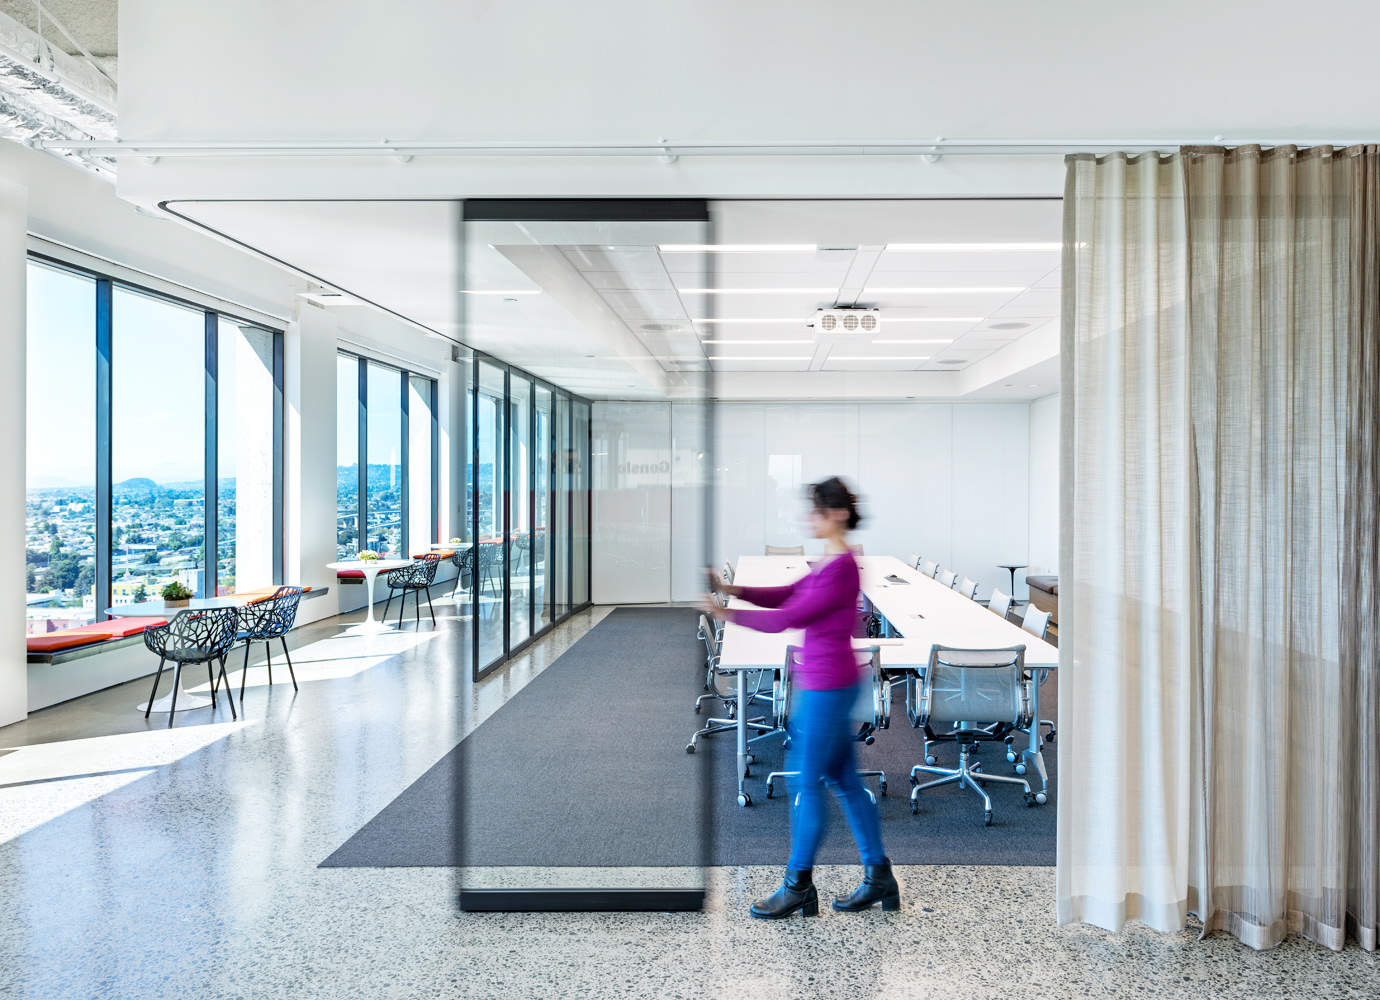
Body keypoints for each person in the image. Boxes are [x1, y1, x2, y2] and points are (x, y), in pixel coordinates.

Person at [704, 476, 899, 918]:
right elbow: (789, 594)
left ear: (838, 515)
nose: (808, 518)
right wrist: (735, 591)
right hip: (825, 682)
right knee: (844, 782)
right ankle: (879, 876)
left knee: (806, 783)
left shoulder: (844, 566)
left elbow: (790, 617)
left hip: (827, 686)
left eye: (816, 510)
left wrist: (724, 612)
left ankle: (798, 886)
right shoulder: (829, 560)